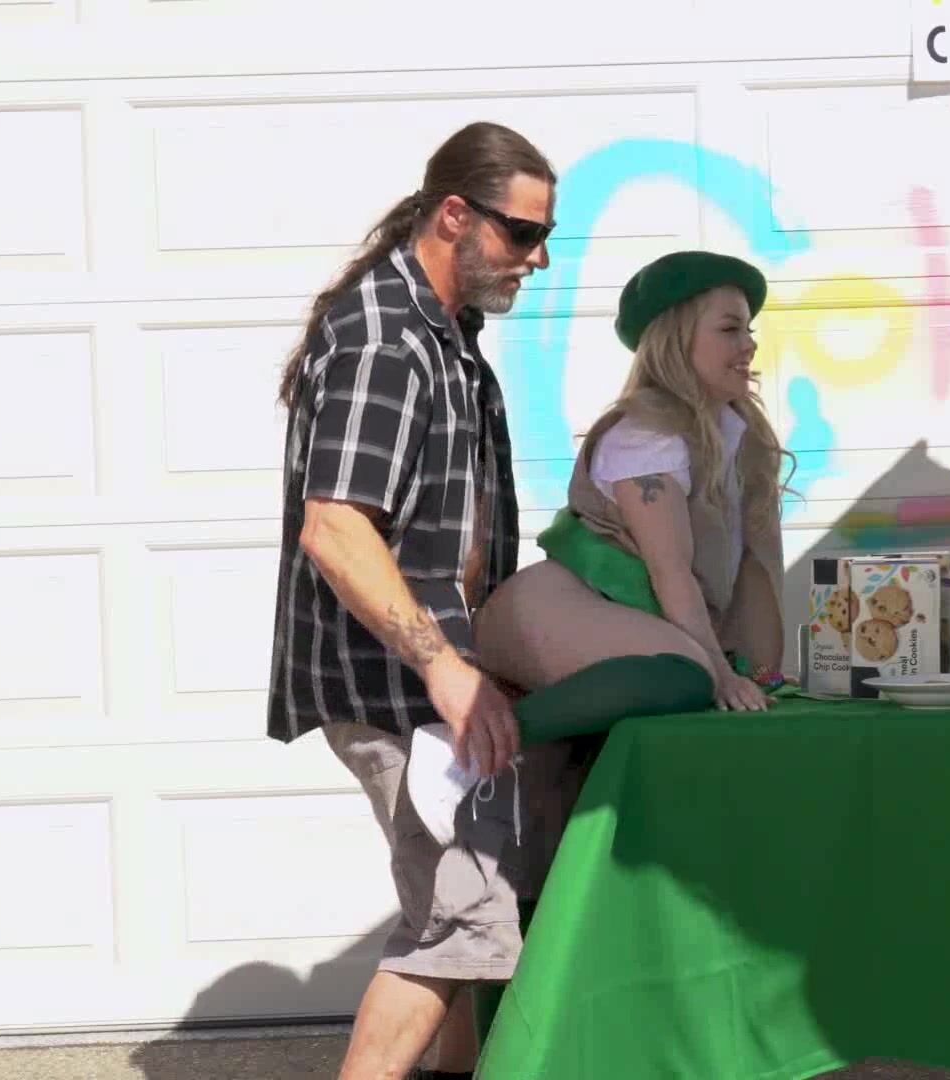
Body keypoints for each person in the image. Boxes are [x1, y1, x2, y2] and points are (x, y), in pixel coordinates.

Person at [266, 121, 569, 1080]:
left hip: (435, 679)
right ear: (454, 216)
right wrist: (446, 667)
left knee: (468, 911)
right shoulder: (384, 340)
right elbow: (335, 528)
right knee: (464, 917)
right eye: (523, 233)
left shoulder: (445, 334)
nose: (538, 257)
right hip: (395, 682)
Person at [472, 250, 792, 714]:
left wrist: (762, 675)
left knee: (690, 672)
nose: (749, 345)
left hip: (620, 622)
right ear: (675, 340)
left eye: (749, 330)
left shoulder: (739, 434)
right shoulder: (646, 435)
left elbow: (753, 565)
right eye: (729, 329)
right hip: (546, 611)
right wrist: (722, 675)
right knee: (689, 673)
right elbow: (670, 570)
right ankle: (482, 735)